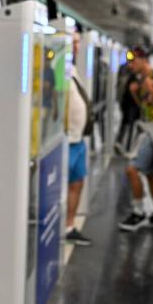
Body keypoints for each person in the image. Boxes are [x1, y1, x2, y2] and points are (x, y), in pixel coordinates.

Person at [118, 47, 153, 231]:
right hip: (145, 125)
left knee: (132, 169)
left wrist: (152, 89)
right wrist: (136, 93)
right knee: (149, 173)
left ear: (143, 60)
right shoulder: (140, 80)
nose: (130, 65)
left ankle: (138, 212)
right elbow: (146, 105)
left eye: (133, 61)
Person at [66, 31, 92, 246]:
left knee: (77, 182)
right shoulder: (57, 70)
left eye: (77, 43)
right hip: (66, 140)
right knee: (60, 186)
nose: (75, 46)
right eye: (72, 42)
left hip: (78, 139)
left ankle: (69, 225)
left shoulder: (72, 69)